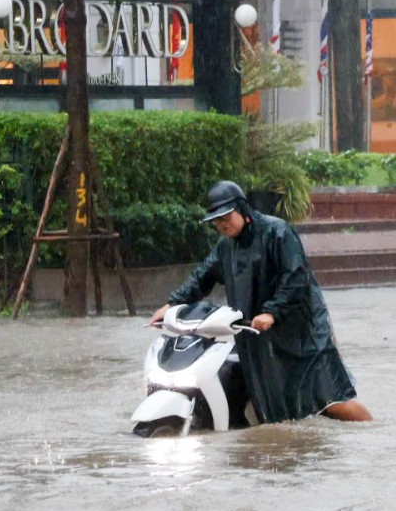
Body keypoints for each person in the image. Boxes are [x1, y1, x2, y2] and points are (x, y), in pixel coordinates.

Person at [149, 181, 373, 423]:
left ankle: (372, 431)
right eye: (216, 219)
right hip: (259, 336)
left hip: (302, 333)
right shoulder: (226, 247)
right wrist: (173, 304)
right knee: (275, 411)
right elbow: (202, 276)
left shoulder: (277, 232)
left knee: (330, 401)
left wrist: (272, 312)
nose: (222, 224)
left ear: (242, 210)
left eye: (226, 216)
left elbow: (296, 277)